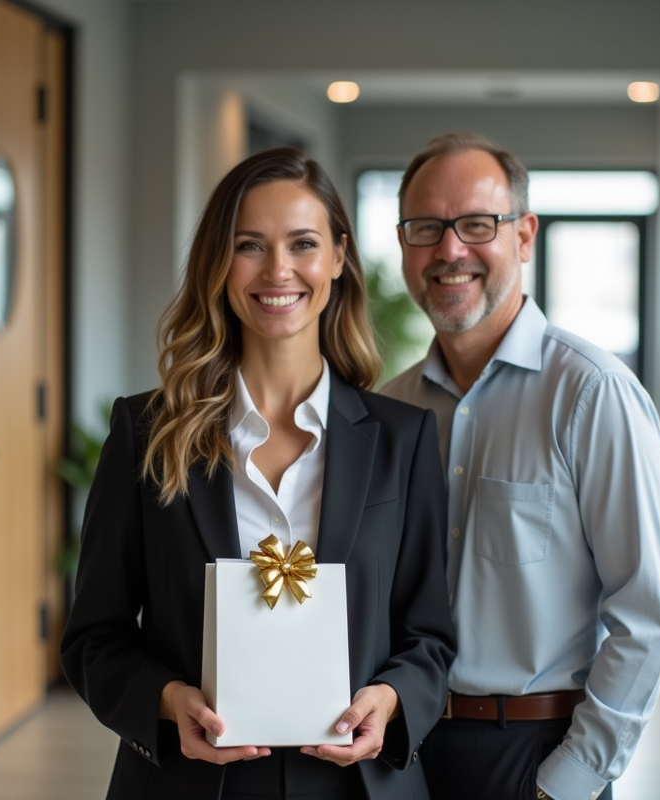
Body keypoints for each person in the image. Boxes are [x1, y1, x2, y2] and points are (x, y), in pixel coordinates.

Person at [61, 147, 456, 800]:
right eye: (250, 245)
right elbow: (93, 638)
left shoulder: (402, 439)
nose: (279, 270)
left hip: (357, 787)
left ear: (337, 256)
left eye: (303, 243)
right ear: (219, 263)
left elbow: (429, 638)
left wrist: (388, 700)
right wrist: (167, 700)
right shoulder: (146, 432)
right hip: (190, 784)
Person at [382, 131, 660, 800]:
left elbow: (649, 617)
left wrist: (568, 784)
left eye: (477, 225)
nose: (450, 250)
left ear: (523, 237)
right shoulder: (386, 412)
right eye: (427, 227)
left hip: (535, 757)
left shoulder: (592, 394)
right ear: (404, 244)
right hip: (400, 756)